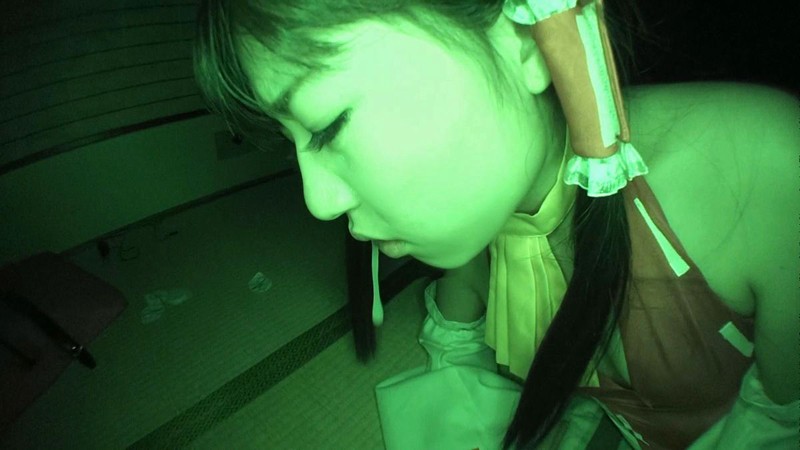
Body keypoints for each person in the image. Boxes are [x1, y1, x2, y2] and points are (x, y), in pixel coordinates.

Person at [193, 0, 799, 448]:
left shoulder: (768, 170)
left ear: (525, 40)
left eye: (327, 125)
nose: (318, 202)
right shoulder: (480, 229)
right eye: (292, 143)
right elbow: (457, 342)